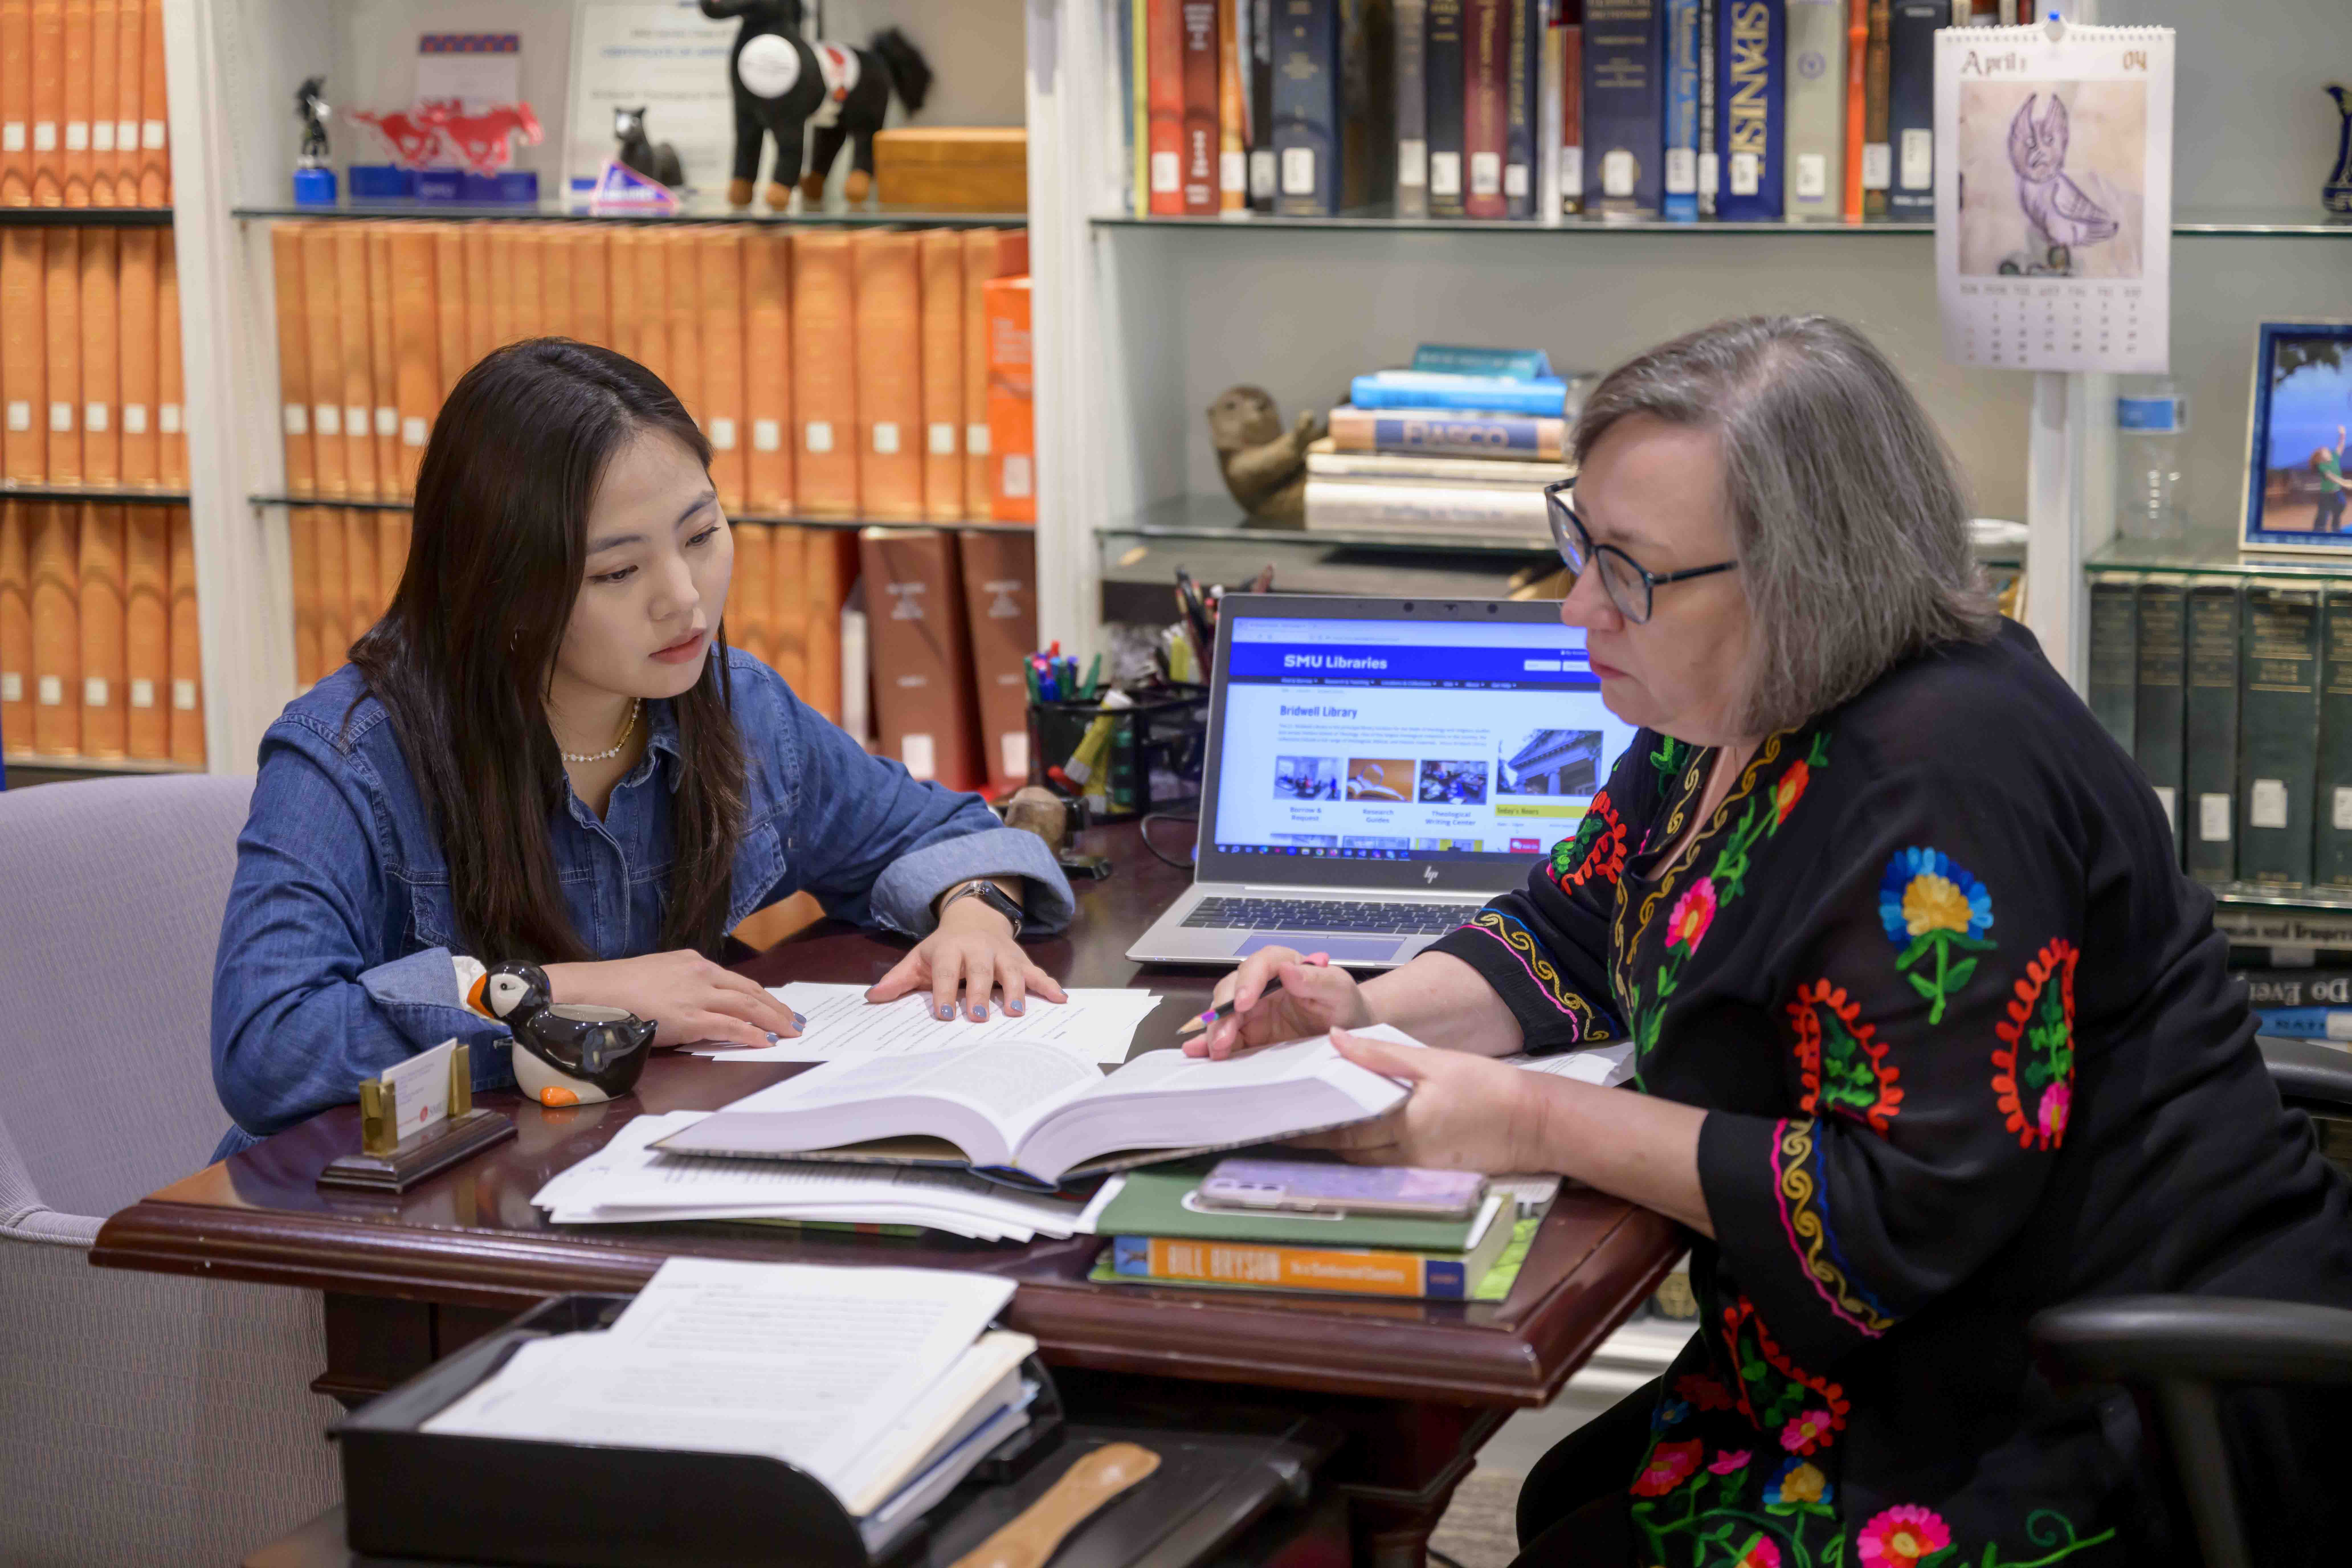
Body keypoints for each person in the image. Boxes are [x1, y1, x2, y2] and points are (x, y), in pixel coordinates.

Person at [1191, 317, 2352, 1567]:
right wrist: (1359, 1007)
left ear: (1805, 573)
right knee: (1565, 1495)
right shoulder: (1724, 707)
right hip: (1898, 1353)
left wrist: (1524, 1119)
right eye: (1580, 541)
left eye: (1627, 567)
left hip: (2086, 1396)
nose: (1581, 601)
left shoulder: (1946, 776)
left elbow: (1900, 1212)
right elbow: (1571, 932)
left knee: (1574, 1533)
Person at [211, 340, 1074, 1157]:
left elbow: (936, 828)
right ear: (499, 588)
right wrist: (575, 995)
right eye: (617, 573)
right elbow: (269, 1047)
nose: (684, 600)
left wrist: (974, 912)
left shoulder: (738, 711)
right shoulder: (352, 758)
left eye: (701, 536)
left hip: (629, 1167)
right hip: (388, 1227)